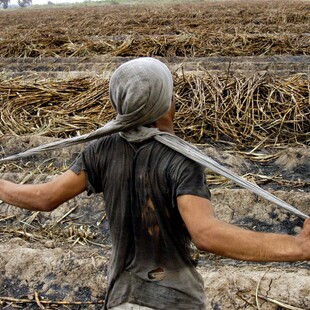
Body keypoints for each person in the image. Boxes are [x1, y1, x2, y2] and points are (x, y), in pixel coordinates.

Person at [0, 57, 309, 310]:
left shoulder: (100, 150)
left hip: (122, 298)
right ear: (163, 102)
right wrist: (297, 246)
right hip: (173, 300)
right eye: (170, 93)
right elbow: (206, 234)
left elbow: (45, 197)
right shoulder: (181, 160)